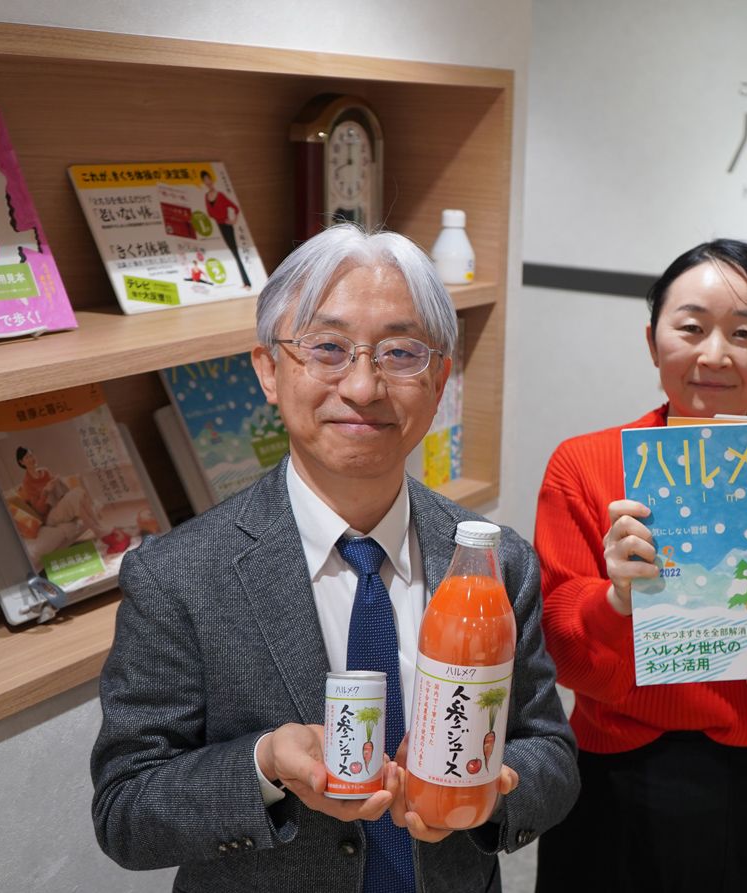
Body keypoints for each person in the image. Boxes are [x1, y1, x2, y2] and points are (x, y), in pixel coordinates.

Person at [91, 224, 578, 893]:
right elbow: (126, 808)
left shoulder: (498, 564)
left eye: (401, 353)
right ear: (269, 369)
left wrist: (488, 794)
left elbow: (549, 752)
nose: (364, 386)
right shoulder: (178, 575)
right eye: (327, 348)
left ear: (439, 380)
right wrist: (264, 765)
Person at [533, 239, 747, 892]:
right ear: (652, 340)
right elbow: (562, 655)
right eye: (691, 328)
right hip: (614, 769)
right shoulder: (585, 465)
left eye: (744, 333)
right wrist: (616, 600)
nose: (715, 355)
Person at [201, 169, 252, 287]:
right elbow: (210, 213)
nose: (207, 182)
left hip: (227, 226)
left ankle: (247, 282)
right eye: (204, 180)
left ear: (211, 180)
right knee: (233, 253)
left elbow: (235, 208)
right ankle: (245, 282)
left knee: (235, 253)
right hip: (220, 226)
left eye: (208, 179)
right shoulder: (206, 197)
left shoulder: (220, 195)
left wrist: (233, 220)